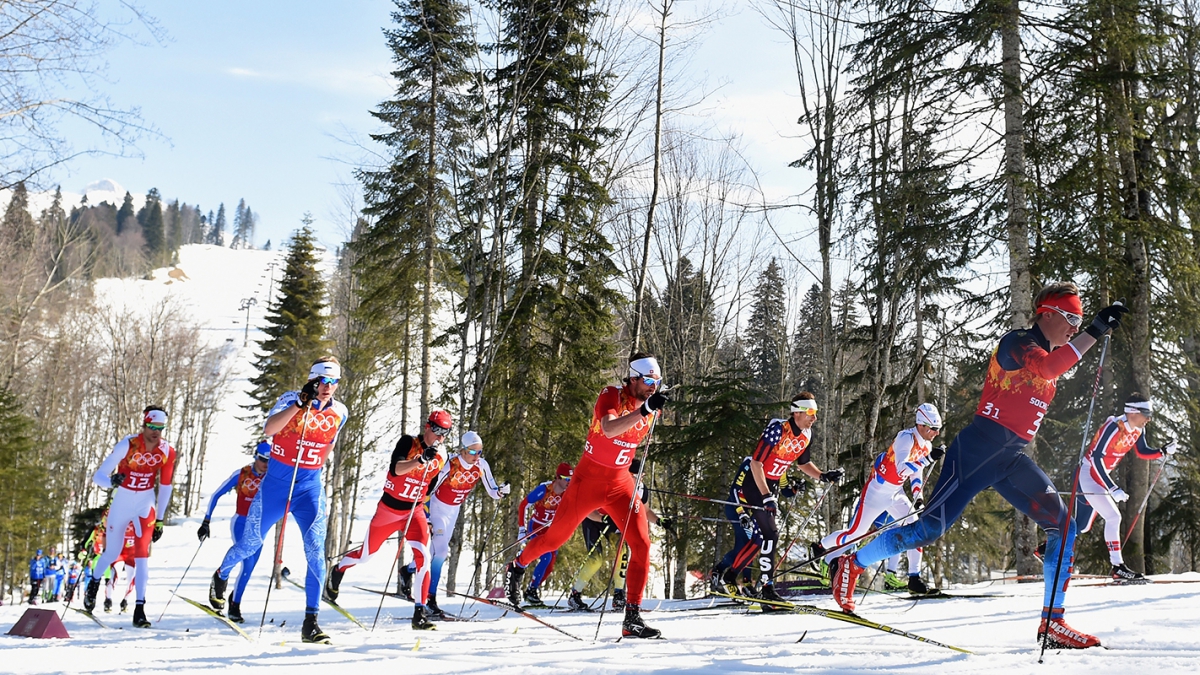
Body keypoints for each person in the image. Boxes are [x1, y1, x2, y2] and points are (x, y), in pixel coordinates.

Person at [830, 283, 1128, 649]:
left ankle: (1054, 622)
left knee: (1064, 527)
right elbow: (1049, 368)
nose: (1073, 327)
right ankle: (854, 562)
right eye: (1070, 318)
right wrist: (1096, 329)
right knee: (927, 530)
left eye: (1079, 320)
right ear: (1046, 313)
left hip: (1011, 458)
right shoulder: (1017, 342)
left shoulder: (1052, 350)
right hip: (975, 451)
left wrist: (1091, 332)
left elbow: (1053, 367)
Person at [505, 353, 669, 639]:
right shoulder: (611, 395)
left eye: (657, 381)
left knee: (642, 542)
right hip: (587, 482)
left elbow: (630, 443)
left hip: (620, 483)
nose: (653, 386)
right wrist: (644, 411)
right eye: (648, 381)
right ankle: (517, 567)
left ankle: (632, 617)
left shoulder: (651, 406)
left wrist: (647, 415)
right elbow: (608, 429)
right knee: (555, 538)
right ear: (632, 378)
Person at [209, 356, 348, 644]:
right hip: (276, 487)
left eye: (333, 382)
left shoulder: (340, 413)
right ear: (312, 379)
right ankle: (221, 575)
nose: (328, 387)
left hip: (308, 488)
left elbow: (329, 444)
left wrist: (316, 465)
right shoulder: (289, 399)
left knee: (315, 552)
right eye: (323, 381)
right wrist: (300, 405)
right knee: (249, 545)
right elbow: (269, 430)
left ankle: (311, 622)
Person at [709, 392, 842, 609]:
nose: (814, 418)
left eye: (815, 413)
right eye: (810, 413)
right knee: (770, 533)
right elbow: (756, 463)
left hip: (769, 486)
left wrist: (823, 475)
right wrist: (765, 496)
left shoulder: (806, 435)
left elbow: (802, 464)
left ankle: (744, 581)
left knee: (763, 538)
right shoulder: (778, 430)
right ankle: (766, 590)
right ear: (796, 412)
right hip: (754, 483)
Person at [325, 410, 452, 631]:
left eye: (446, 433)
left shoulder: (442, 457)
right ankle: (338, 570)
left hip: (415, 512)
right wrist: (420, 460)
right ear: (427, 427)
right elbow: (397, 469)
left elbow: (430, 487)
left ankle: (419, 613)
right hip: (390, 510)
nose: (440, 437)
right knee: (366, 556)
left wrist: (427, 513)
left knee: (423, 558)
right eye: (438, 431)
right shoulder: (408, 442)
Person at [816, 403, 944, 595]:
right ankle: (820, 546)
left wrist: (918, 497)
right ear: (922, 425)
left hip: (896, 493)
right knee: (854, 535)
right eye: (934, 429)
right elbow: (901, 468)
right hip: (876, 493)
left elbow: (916, 473)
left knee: (917, 527)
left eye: (938, 429)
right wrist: (928, 459)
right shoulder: (905, 438)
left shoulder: (927, 445)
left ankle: (914, 578)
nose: (936, 433)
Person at [84, 406, 177, 628]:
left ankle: (140, 608)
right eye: (152, 427)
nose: (156, 432)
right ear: (144, 425)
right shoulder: (128, 444)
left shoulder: (166, 451)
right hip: (123, 501)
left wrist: (161, 518)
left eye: (160, 428)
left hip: (145, 503)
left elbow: (165, 486)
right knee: (112, 552)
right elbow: (99, 475)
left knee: (141, 556)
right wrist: (112, 481)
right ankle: (94, 583)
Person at [1075, 393, 1176, 583]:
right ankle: (1117, 568)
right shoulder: (1114, 427)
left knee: (1083, 525)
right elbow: (1096, 458)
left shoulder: (1137, 429)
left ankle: (1047, 548)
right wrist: (1112, 488)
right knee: (1113, 517)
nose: (1149, 418)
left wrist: (1162, 451)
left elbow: (1142, 451)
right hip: (1089, 473)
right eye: (1146, 413)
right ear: (1132, 412)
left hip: (1100, 476)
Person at [567, 458, 672, 611]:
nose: (639, 479)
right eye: (635, 476)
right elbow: (587, 508)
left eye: (641, 476)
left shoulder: (641, 489)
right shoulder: (610, 482)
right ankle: (575, 595)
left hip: (614, 522)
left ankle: (618, 595)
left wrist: (659, 521)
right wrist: (602, 518)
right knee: (596, 559)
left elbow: (646, 510)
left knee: (622, 552)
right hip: (593, 519)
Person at [424, 431, 509, 618]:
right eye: (472, 452)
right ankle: (429, 599)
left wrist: (501, 491)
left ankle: (409, 571)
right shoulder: (450, 464)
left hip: (453, 511)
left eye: (480, 452)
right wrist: (427, 516)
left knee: (432, 553)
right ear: (462, 450)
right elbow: (429, 489)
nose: (476, 456)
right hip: (438, 509)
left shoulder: (481, 465)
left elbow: (492, 491)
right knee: (440, 553)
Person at [196, 442, 270, 622]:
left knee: (250, 568)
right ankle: (221, 576)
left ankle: (235, 604)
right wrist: (206, 520)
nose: (265, 464)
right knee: (246, 560)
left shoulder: (273, 477)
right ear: (255, 456)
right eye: (262, 459)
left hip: (261, 526)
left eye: (270, 461)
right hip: (241, 522)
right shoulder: (242, 473)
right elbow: (216, 495)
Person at [515, 464, 572, 606]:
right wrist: (522, 528)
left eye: (571, 479)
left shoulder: (568, 492)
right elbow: (524, 505)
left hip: (550, 530)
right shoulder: (545, 489)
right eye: (566, 479)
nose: (568, 482)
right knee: (545, 556)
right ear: (558, 477)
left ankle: (532, 590)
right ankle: (529, 588)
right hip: (536, 527)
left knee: (550, 563)